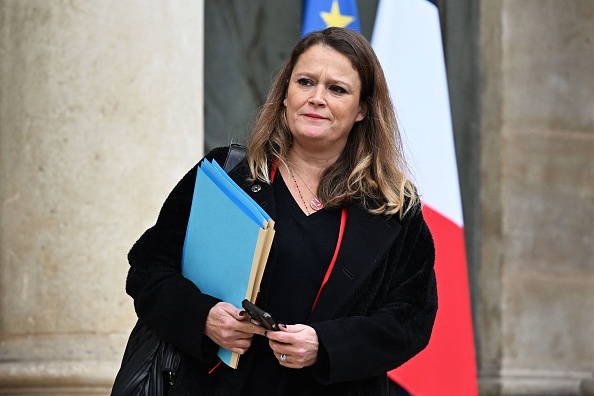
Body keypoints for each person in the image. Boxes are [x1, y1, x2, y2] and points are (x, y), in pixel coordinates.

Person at [125, 27, 437, 395]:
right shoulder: (229, 175)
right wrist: (202, 318)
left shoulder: (393, 207)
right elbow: (147, 268)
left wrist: (326, 345)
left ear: (362, 110)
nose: (316, 98)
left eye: (337, 89)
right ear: (286, 94)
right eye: (305, 82)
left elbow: (410, 318)